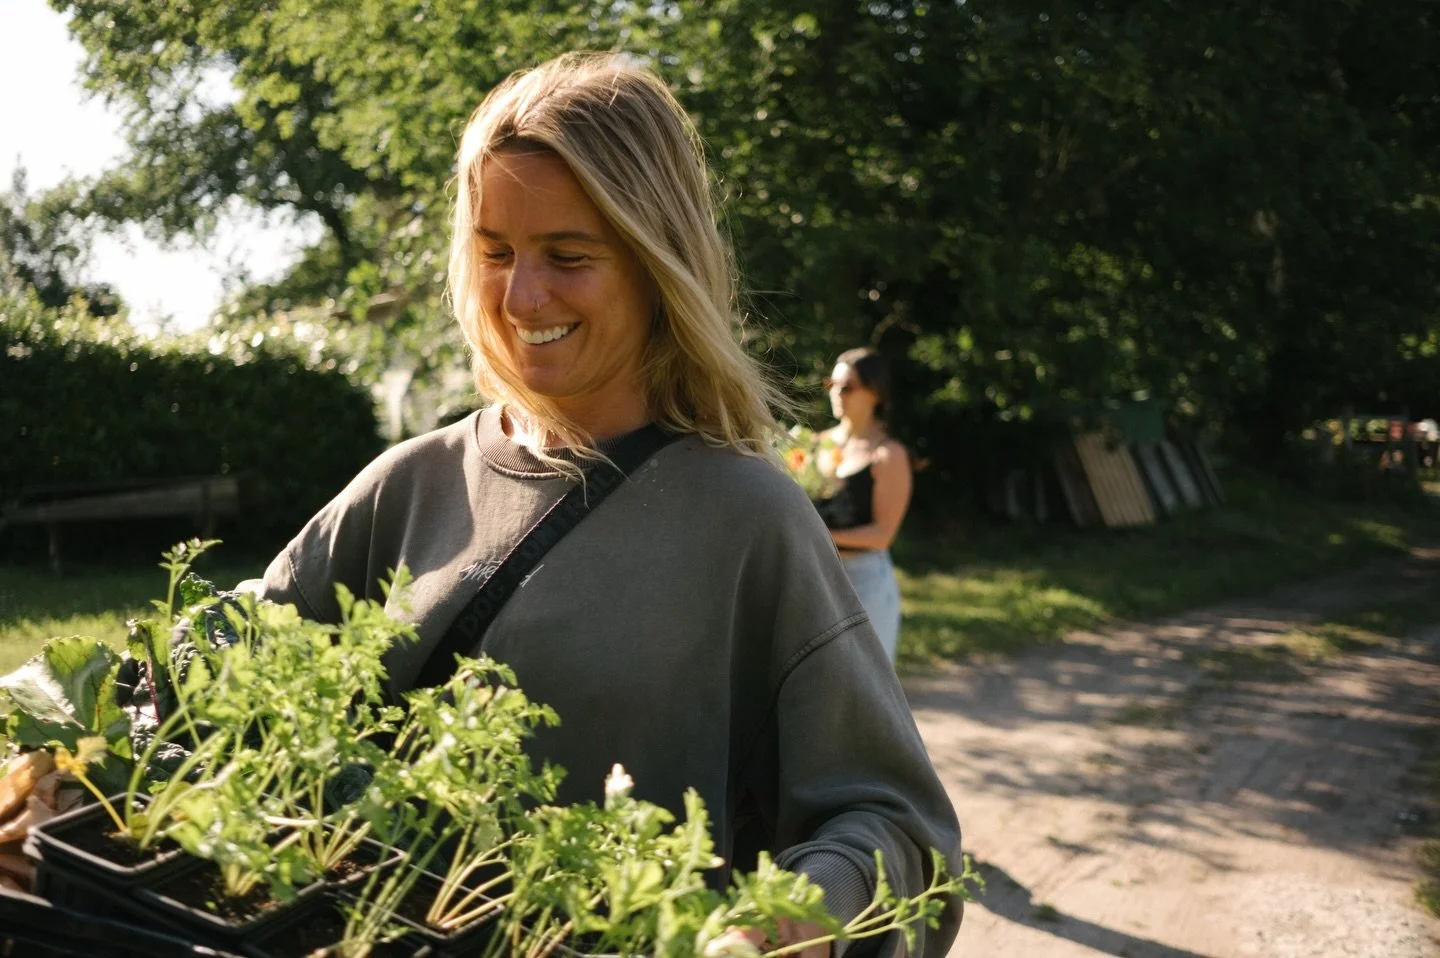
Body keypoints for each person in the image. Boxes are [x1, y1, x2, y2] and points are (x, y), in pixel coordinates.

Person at [253, 53, 960, 957]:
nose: (521, 296)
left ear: (655, 261)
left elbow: (899, 829)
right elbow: (229, 658)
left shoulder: (747, 519)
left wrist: (794, 919)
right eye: (496, 252)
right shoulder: (411, 481)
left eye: (568, 255)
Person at [812, 349, 914, 665]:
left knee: (866, 684)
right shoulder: (814, 444)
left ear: (875, 393)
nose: (837, 394)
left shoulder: (888, 455)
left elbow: (882, 534)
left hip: (865, 581)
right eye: (832, 384)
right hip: (815, 575)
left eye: (848, 387)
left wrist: (821, 536)